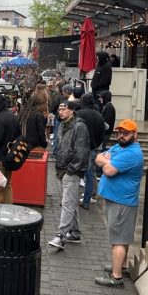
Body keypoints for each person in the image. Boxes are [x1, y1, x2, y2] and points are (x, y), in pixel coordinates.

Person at [93, 119, 144, 288]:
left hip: (122, 202)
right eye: (119, 132)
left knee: (118, 240)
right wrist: (107, 160)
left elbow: (108, 170)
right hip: (118, 200)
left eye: (126, 133)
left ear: (135, 134)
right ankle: (121, 266)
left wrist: (107, 162)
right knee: (122, 237)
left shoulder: (131, 153)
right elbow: (98, 157)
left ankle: (116, 277)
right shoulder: (120, 147)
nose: (121, 136)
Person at [49, 101, 90, 250]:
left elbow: (81, 151)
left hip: (72, 170)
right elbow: (60, 146)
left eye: (63, 109)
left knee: (67, 202)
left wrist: (71, 169)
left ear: (72, 110)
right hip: (63, 168)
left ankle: (61, 235)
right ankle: (74, 232)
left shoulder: (79, 126)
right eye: (59, 109)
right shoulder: (62, 125)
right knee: (70, 201)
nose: (60, 111)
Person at [77, 93, 105, 210]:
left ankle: (70, 200)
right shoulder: (99, 116)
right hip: (92, 149)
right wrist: (95, 144)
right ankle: (86, 201)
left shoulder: (79, 114)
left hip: (79, 149)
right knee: (89, 176)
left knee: (74, 175)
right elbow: (102, 135)